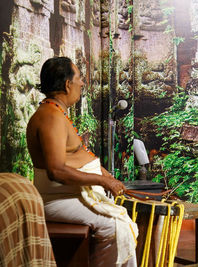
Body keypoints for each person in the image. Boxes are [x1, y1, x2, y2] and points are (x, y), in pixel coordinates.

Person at [27, 57, 137, 267]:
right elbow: (56, 170)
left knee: (121, 221)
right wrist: (103, 181)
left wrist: (103, 173)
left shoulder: (56, 112)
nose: (83, 83)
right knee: (114, 226)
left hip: (69, 195)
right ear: (68, 84)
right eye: (79, 78)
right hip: (56, 200)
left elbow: (74, 155)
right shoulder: (51, 117)